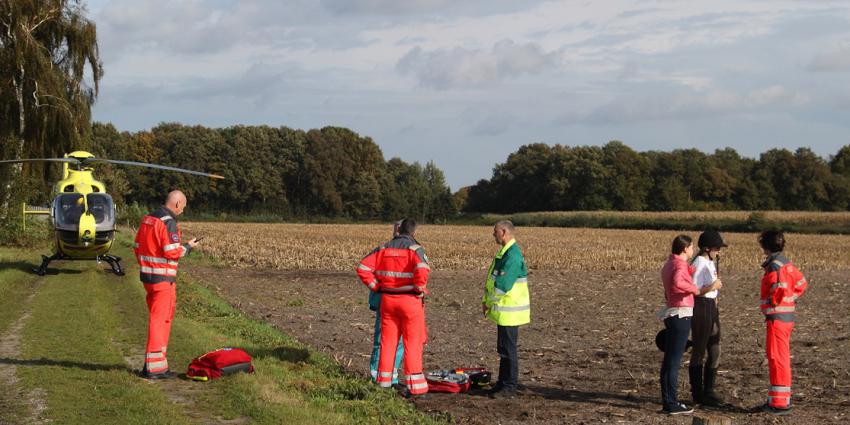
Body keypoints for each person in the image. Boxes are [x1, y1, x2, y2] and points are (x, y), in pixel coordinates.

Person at [356, 218, 430, 398]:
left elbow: (362, 267)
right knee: (412, 343)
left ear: (399, 230)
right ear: (414, 232)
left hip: (387, 300)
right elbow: (422, 269)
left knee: (387, 343)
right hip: (409, 301)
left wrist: (376, 286)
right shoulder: (415, 249)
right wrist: (419, 288)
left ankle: (384, 383)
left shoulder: (383, 248)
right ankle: (417, 389)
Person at [133, 190, 199, 379]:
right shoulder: (168, 222)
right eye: (183, 207)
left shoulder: (148, 219)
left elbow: (137, 246)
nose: (183, 211)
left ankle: (156, 364)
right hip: (163, 281)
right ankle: (154, 369)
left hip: (148, 279)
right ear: (177, 204)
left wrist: (147, 265)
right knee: (160, 321)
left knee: (160, 319)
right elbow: (171, 252)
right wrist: (187, 247)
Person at [659, 235, 720, 415]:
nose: (693, 250)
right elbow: (678, 282)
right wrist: (695, 290)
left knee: (669, 361)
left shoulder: (670, 264)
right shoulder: (678, 265)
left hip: (673, 311)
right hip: (681, 313)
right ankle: (671, 403)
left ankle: (669, 400)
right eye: (691, 247)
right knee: (673, 361)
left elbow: (671, 285)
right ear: (685, 248)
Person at [758, 230, 807, 415]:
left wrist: (775, 302)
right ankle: (778, 400)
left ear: (765, 246)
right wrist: (790, 299)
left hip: (777, 319)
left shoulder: (774, 266)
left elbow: (777, 287)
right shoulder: (786, 263)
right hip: (786, 318)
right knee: (781, 357)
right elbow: (802, 283)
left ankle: (779, 403)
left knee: (777, 358)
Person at [482, 220, 531, 399]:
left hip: (511, 312)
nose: (493, 234)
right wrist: (486, 300)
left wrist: (488, 302)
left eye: (495, 231)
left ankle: (509, 387)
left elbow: (502, 286)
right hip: (504, 311)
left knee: (508, 350)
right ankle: (502, 384)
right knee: (503, 348)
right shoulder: (506, 253)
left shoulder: (512, 256)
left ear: (503, 232)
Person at [689, 230, 727, 406]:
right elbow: (694, 291)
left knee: (715, 349)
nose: (719, 251)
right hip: (701, 306)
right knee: (699, 350)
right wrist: (713, 286)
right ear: (706, 248)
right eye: (717, 248)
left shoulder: (709, 261)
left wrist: (715, 296)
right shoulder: (699, 263)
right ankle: (698, 394)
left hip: (711, 306)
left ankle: (709, 390)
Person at [367, 221, 404, 386]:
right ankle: (377, 375)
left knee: (399, 341)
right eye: (395, 227)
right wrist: (377, 288)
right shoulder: (382, 250)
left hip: (399, 301)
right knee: (383, 339)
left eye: (399, 228)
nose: (397, 231)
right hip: (387, 301)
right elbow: (364, 268)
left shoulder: (409, 251)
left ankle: (391, 376)